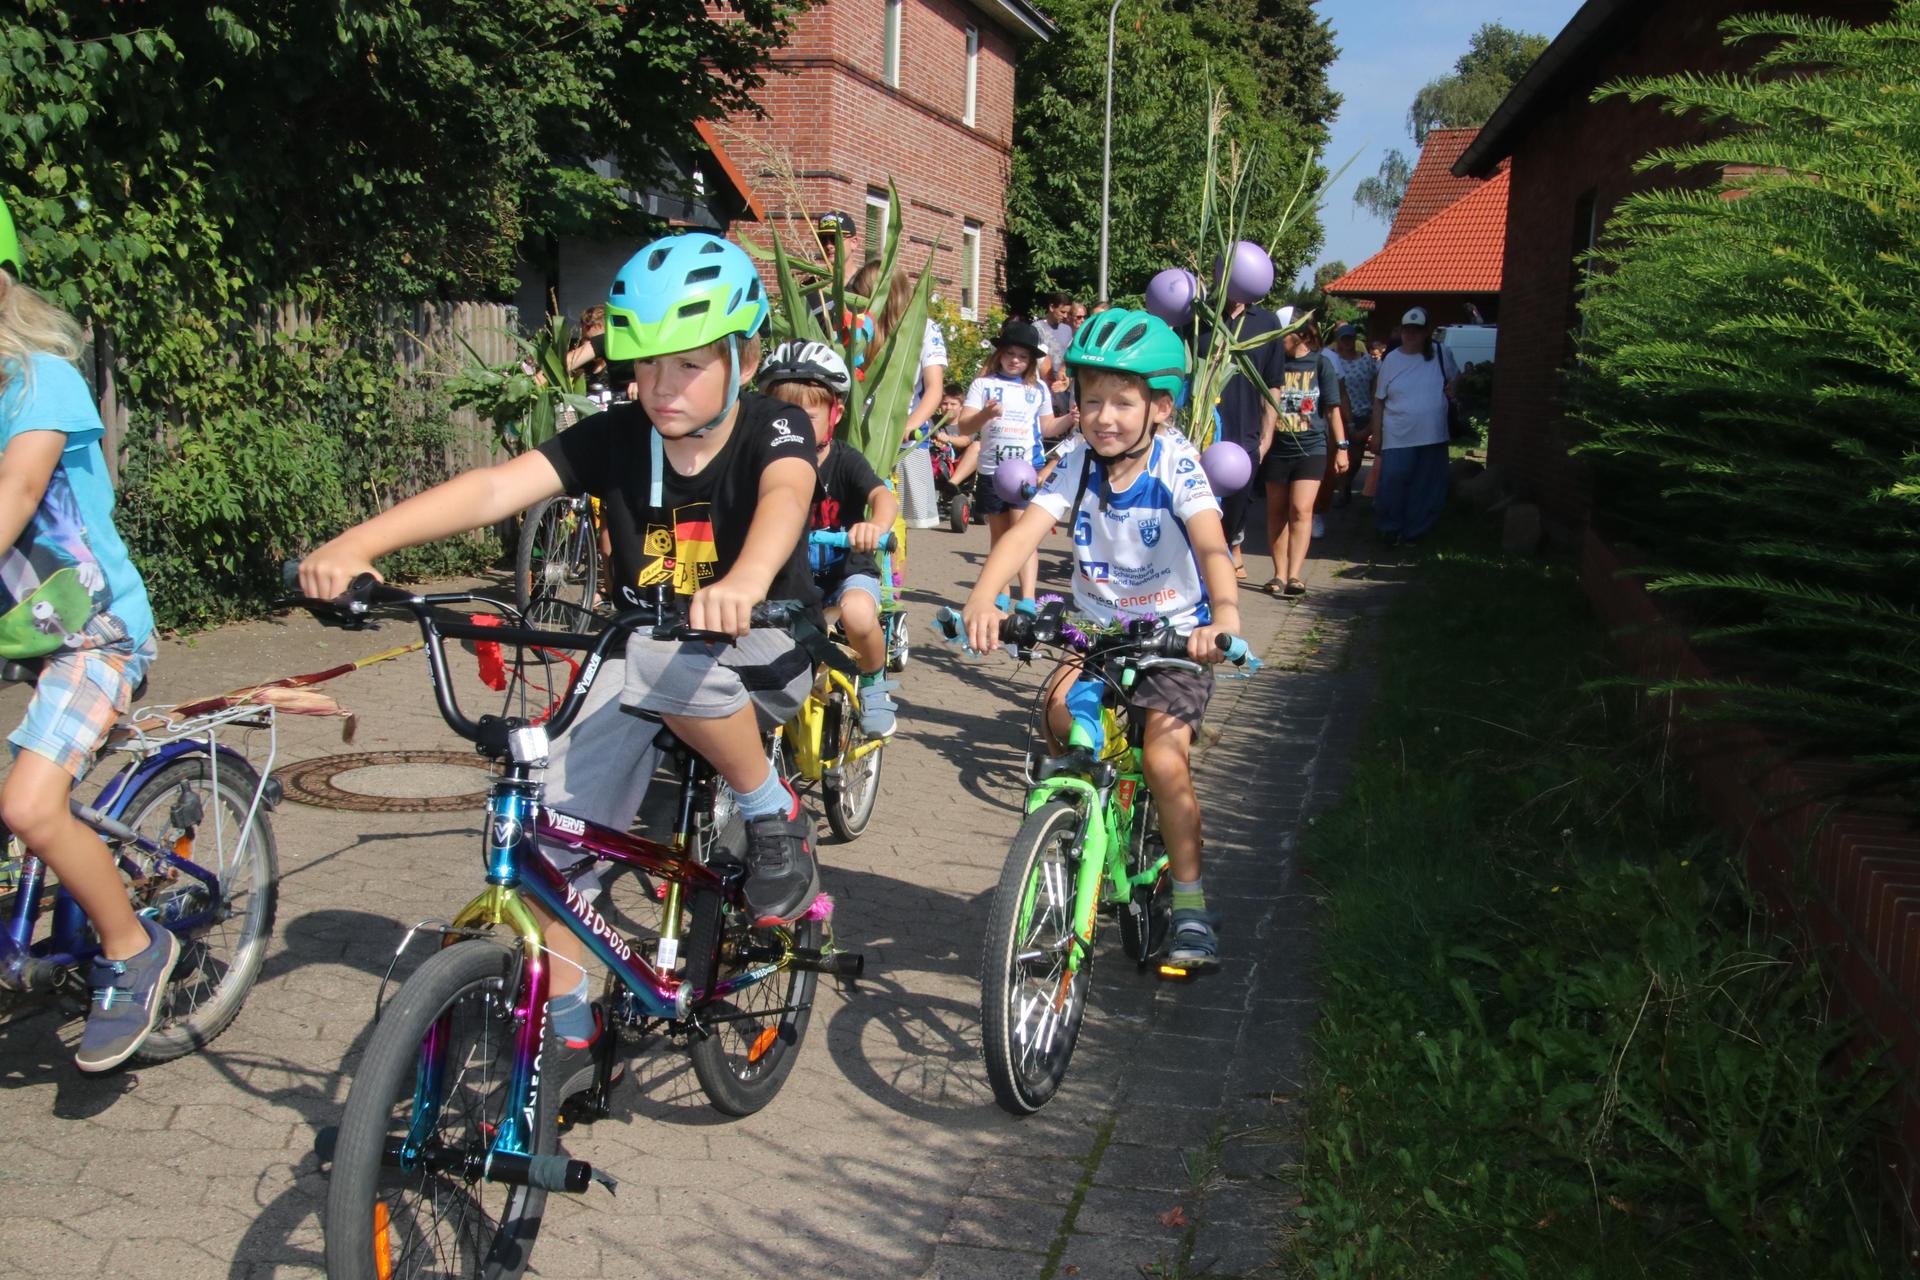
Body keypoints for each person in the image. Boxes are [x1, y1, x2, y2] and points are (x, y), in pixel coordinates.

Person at [301, 232, 823, 1055]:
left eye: (687, 364)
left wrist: (748, 580)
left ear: (743, 360)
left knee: (657, 666)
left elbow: (787, 496)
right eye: (644, 365)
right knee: (545, 843)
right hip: (642, 650)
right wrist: (358, 545)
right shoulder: (617, 437)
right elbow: (495, 485)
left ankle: (769, 806)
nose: (660, 387)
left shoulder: (777, 425)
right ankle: (571, 1040)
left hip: (758, 646)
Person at [962, 309, 1242, 970]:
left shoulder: (1177, 464)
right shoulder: (1078, 462)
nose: (1104, 416)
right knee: (1059, 712)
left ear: (1161, 408)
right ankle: (1065, 838)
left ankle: (1193, 905)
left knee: (1166, 757)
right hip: (1099, 629)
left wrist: (1223, 618)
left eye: (1123, 401)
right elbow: (1028, 530)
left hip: (1176, 634)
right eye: (1091, 400)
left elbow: (1210, 543)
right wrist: (984, 596)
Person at [0, 196, 167, 1072]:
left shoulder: (39, 380)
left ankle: (134, 951)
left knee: (29, 803)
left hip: (90, 633)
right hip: (12, 633)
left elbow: (19, 494)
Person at [757, 341, 901, 737]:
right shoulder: (760, 461)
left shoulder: (844, 459)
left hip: (844, 571)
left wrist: (875, 526)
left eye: (808, 412)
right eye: (781, 411)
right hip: (787, 574)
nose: (793, 421)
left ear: (834, 414)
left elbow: (881, 496)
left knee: (857, 614)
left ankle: (873, 682)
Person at [957, 319, 1070, 601]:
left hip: (1025, 472)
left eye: (1022, 356)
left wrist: (1069, 419)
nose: (1015, 360)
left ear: (1031, 360)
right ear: (1000, 354)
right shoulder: (983, 384)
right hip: (991, 471)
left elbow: (1047, 428)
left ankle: (1029, 599)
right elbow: (964, 427)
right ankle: (1001, 596)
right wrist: (986, 414)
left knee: (1024, 535)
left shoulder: (1038, 389)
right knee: (999, 536)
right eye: (1010, 354)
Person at [847, 261, 946, 530]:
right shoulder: (857, 327)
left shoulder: (924, 328)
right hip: (859, 438)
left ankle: (895, 575)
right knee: (859, 520)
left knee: (896, 530)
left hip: (902, 441)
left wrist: (910, 423)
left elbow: (934, 389)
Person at [1199, 297, 1289, 580]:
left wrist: (1267, 436)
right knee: (1199, 514)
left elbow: (1273, 384)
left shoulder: (1266, 323)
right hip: (1200, 437)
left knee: (1234, 514)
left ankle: (1228, 553)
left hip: (1245, 440)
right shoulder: (1200, 317)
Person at [1258, 318, 1343, 597]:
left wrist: (1341, 446)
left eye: (1283, 334)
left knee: (1301, 509)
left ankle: (1295, 575)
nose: (1278, 340)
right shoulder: (1274, 365)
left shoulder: (1321, 364)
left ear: (1301, 335)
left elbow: (1332, 409)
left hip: (1311, 447)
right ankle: (1278, 574)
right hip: (1277, 448)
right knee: (1277, 512)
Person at [1371, 307, 1457, 546]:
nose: (1411, 335)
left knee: (1427, 486)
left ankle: (1415, 532)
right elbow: (1379, 400)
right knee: (1392, 481)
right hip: (1398, 434)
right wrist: (1376, 434)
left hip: (1433, 434)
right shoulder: (1391, 359)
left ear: (1426, 332)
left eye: (1417, 330)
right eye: (1407, 330)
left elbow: (1456, 378)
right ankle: (1390, 528)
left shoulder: (1441, 353)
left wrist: (1455, 388)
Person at [1325, 322, 1379, 506]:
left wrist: (1373, 404)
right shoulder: (1332, 360)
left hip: (1361, 412)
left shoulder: (1367, 361)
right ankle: (1341, 489)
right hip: (1337, 413)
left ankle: (1346, 483)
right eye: (1343, 339)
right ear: (1338, 340)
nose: (1347, 342)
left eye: (1350, 338)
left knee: (1356, 458)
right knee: (1337, 453)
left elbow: (1376, 382)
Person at [1037, 291, 1077, 416]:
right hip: (1044, 383)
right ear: (1051, 307)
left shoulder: (1067, 329)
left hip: (1063, 385)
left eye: (1067, 313)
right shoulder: (1037, 328)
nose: (1065, 316)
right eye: (1062, 312)